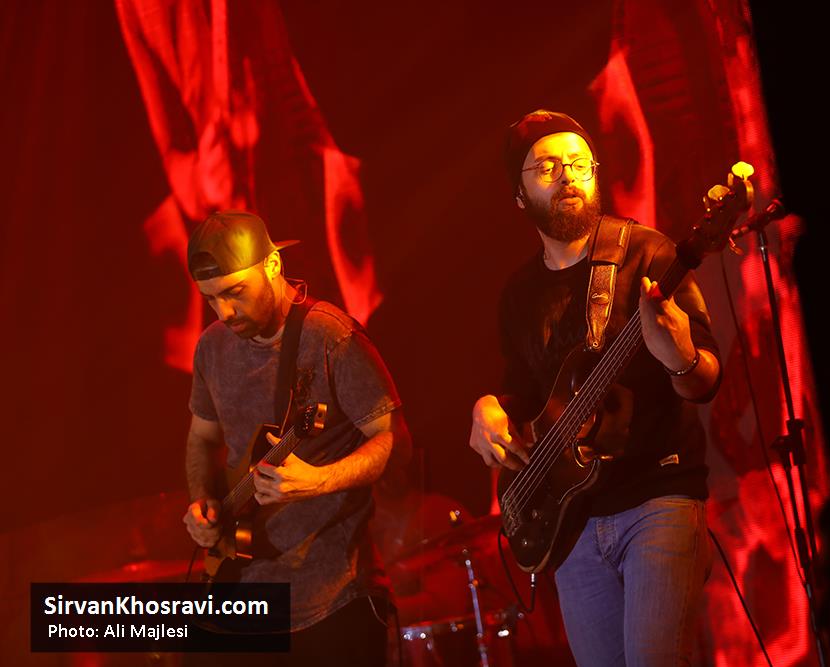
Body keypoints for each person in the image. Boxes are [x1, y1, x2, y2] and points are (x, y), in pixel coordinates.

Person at [468, 110, 721, 667]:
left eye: (579, 164)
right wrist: (488, 408)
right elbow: (523, 394)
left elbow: (705, 381)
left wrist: (678, 354)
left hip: (658, 496)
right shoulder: (519, 294)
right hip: (573, 519)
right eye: (548, 167)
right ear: (519, 196)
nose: (567, 175)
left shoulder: (649, 254)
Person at [182, 210, 411, 665]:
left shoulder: (330, 336)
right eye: (211, 299)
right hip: (241, 597)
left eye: (234, 293)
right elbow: (201, 439)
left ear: (273, 265)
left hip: (332, 599)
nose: (224, 312)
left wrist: (319, 481)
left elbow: (394, 441)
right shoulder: (211, 346)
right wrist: (203, 503)